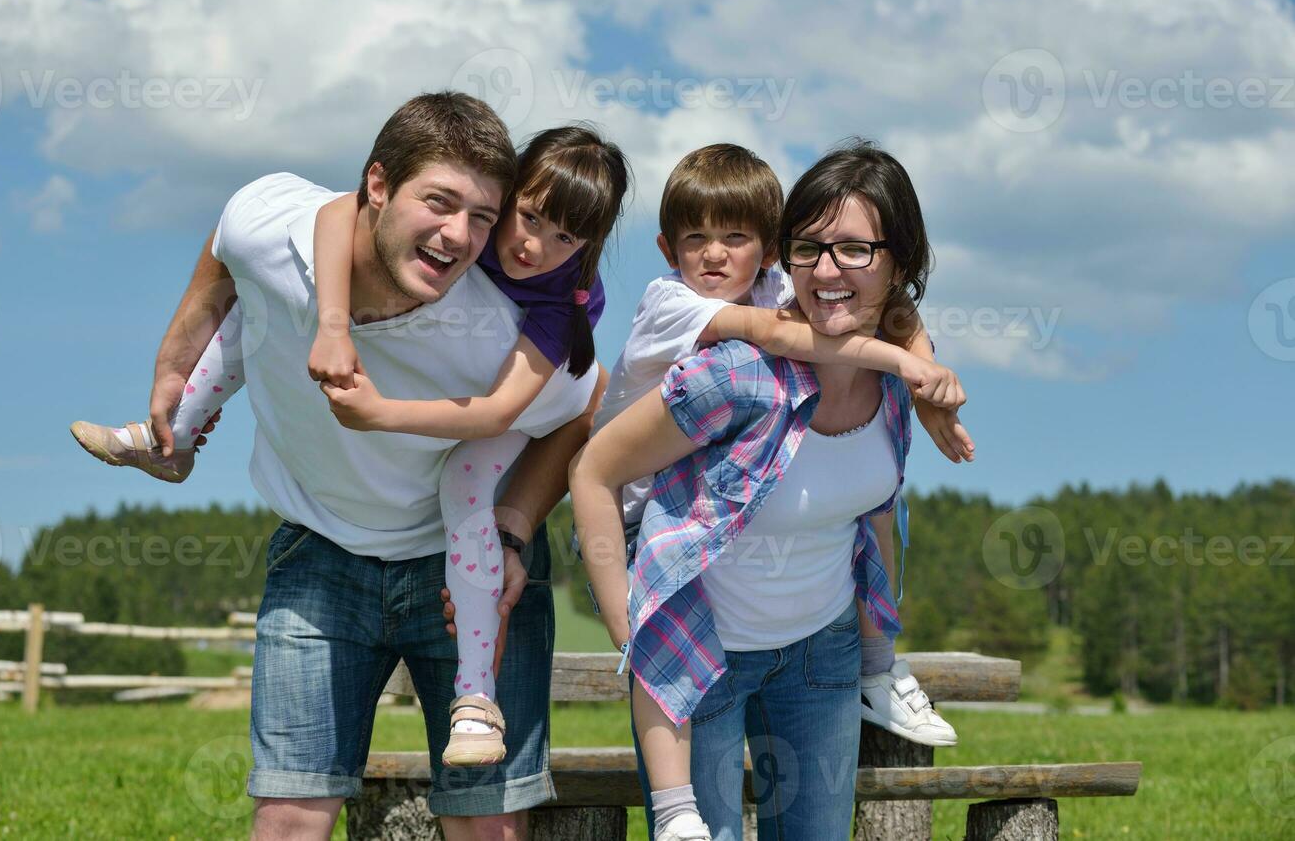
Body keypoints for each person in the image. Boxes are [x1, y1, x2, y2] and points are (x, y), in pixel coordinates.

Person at [85, 92, 603, 840]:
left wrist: (514, 531)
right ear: (378, 185)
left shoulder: (502, 332)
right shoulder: (281, 234)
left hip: (461, 573)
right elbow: (229, 239)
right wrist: (177, 356)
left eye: (483, 217)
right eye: (439, 202)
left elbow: (579, 414)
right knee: (290, 812)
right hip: (317, 555)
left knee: (485, 825)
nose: (458, 235)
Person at [572, 139, 964, 840]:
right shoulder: (730, 366)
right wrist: (624, 628)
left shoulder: (892, 386)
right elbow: (595, 470)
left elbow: (874, 511)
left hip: (822, 651)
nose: (826, 268)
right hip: (703, 650)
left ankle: (881, 671)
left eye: (853, 250)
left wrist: (922, 378)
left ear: (896, 261)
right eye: (809, 248)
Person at [305, 124, 628, 765]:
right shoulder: (467, 233)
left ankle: (476, 697)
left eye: (565, 237)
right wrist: (333, 326)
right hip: (475, 393)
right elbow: (337, 211)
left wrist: (381, 413)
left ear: (588, 246)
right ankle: (171, 420)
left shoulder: (562, 303)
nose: (534, 246)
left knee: (465, 483)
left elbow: (500, 410)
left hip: (523, 408)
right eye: (527, 217)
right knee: (255, 307)